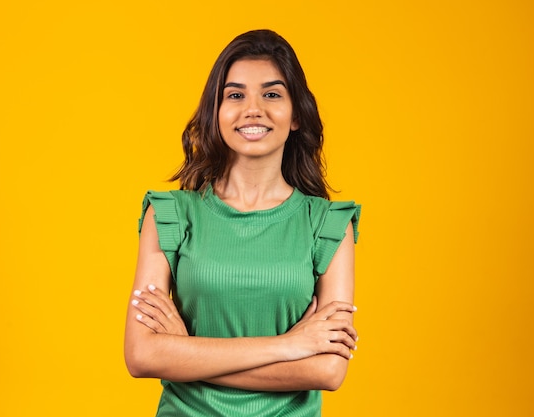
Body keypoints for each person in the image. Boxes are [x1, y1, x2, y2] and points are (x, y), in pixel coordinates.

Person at [124, 29, 361, 416]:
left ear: (296, 114)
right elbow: (141, 355)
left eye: (271, 94)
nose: (253, 109)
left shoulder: (329, 225)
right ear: (215, 113)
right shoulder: (169, 214)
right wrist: (289, 345)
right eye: (235, 95)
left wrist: (187, 354)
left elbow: (329, 369)